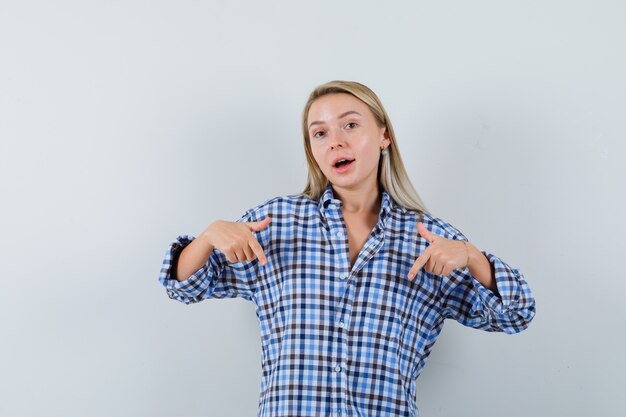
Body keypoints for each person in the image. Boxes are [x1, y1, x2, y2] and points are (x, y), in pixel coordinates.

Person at [158, 80, 536, 417]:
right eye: (319, 133)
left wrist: (472, 255)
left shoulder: (430, 239)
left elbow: (516, 314)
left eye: (350, 125)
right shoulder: (274, 223)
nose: (335, 140)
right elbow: (183, 285)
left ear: (384, 136)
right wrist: (208, 237)